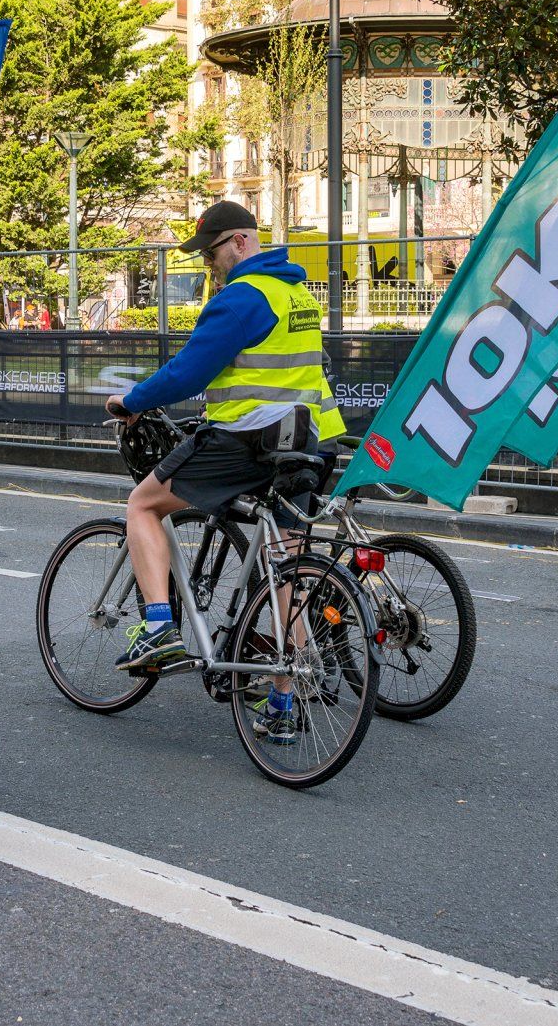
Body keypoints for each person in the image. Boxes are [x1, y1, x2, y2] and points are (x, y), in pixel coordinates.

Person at [102, 201, 344, 743]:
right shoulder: (296, 293)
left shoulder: (242, 297)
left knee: (142, 505)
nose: (210, 265)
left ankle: (158, 627)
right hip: (308, 441)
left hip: (246, 442)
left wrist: (132, 401)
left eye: (210, 252)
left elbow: (189, 370)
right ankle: (284, 701)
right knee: (287, 572)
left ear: (238, 242)